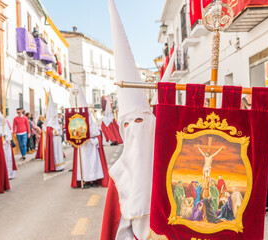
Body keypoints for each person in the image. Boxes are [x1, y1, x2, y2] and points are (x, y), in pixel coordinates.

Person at [101, 1, 156, 238]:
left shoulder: (175, 159)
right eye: (128, 125)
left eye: (141, 122)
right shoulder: (120, 174)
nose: (136, 129)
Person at [71, 86, 109, 189]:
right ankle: (85, 181)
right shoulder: (77, 121)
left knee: (93, 164)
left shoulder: (91, 121)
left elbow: (96, 134)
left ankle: (93, 181)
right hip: (82, 147)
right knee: (83, 164)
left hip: (91, 147)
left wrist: (94, 140)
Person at [44, 92, 65, 172]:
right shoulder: (50, 124)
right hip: (53, 142)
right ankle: (56, 166)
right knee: (55, 154)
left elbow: (59, 130)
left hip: (58, 140)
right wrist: (57, 131)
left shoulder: (56, 123)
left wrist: (59, 131)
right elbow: (50, 132)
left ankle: (60, 165)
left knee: (59, 154)